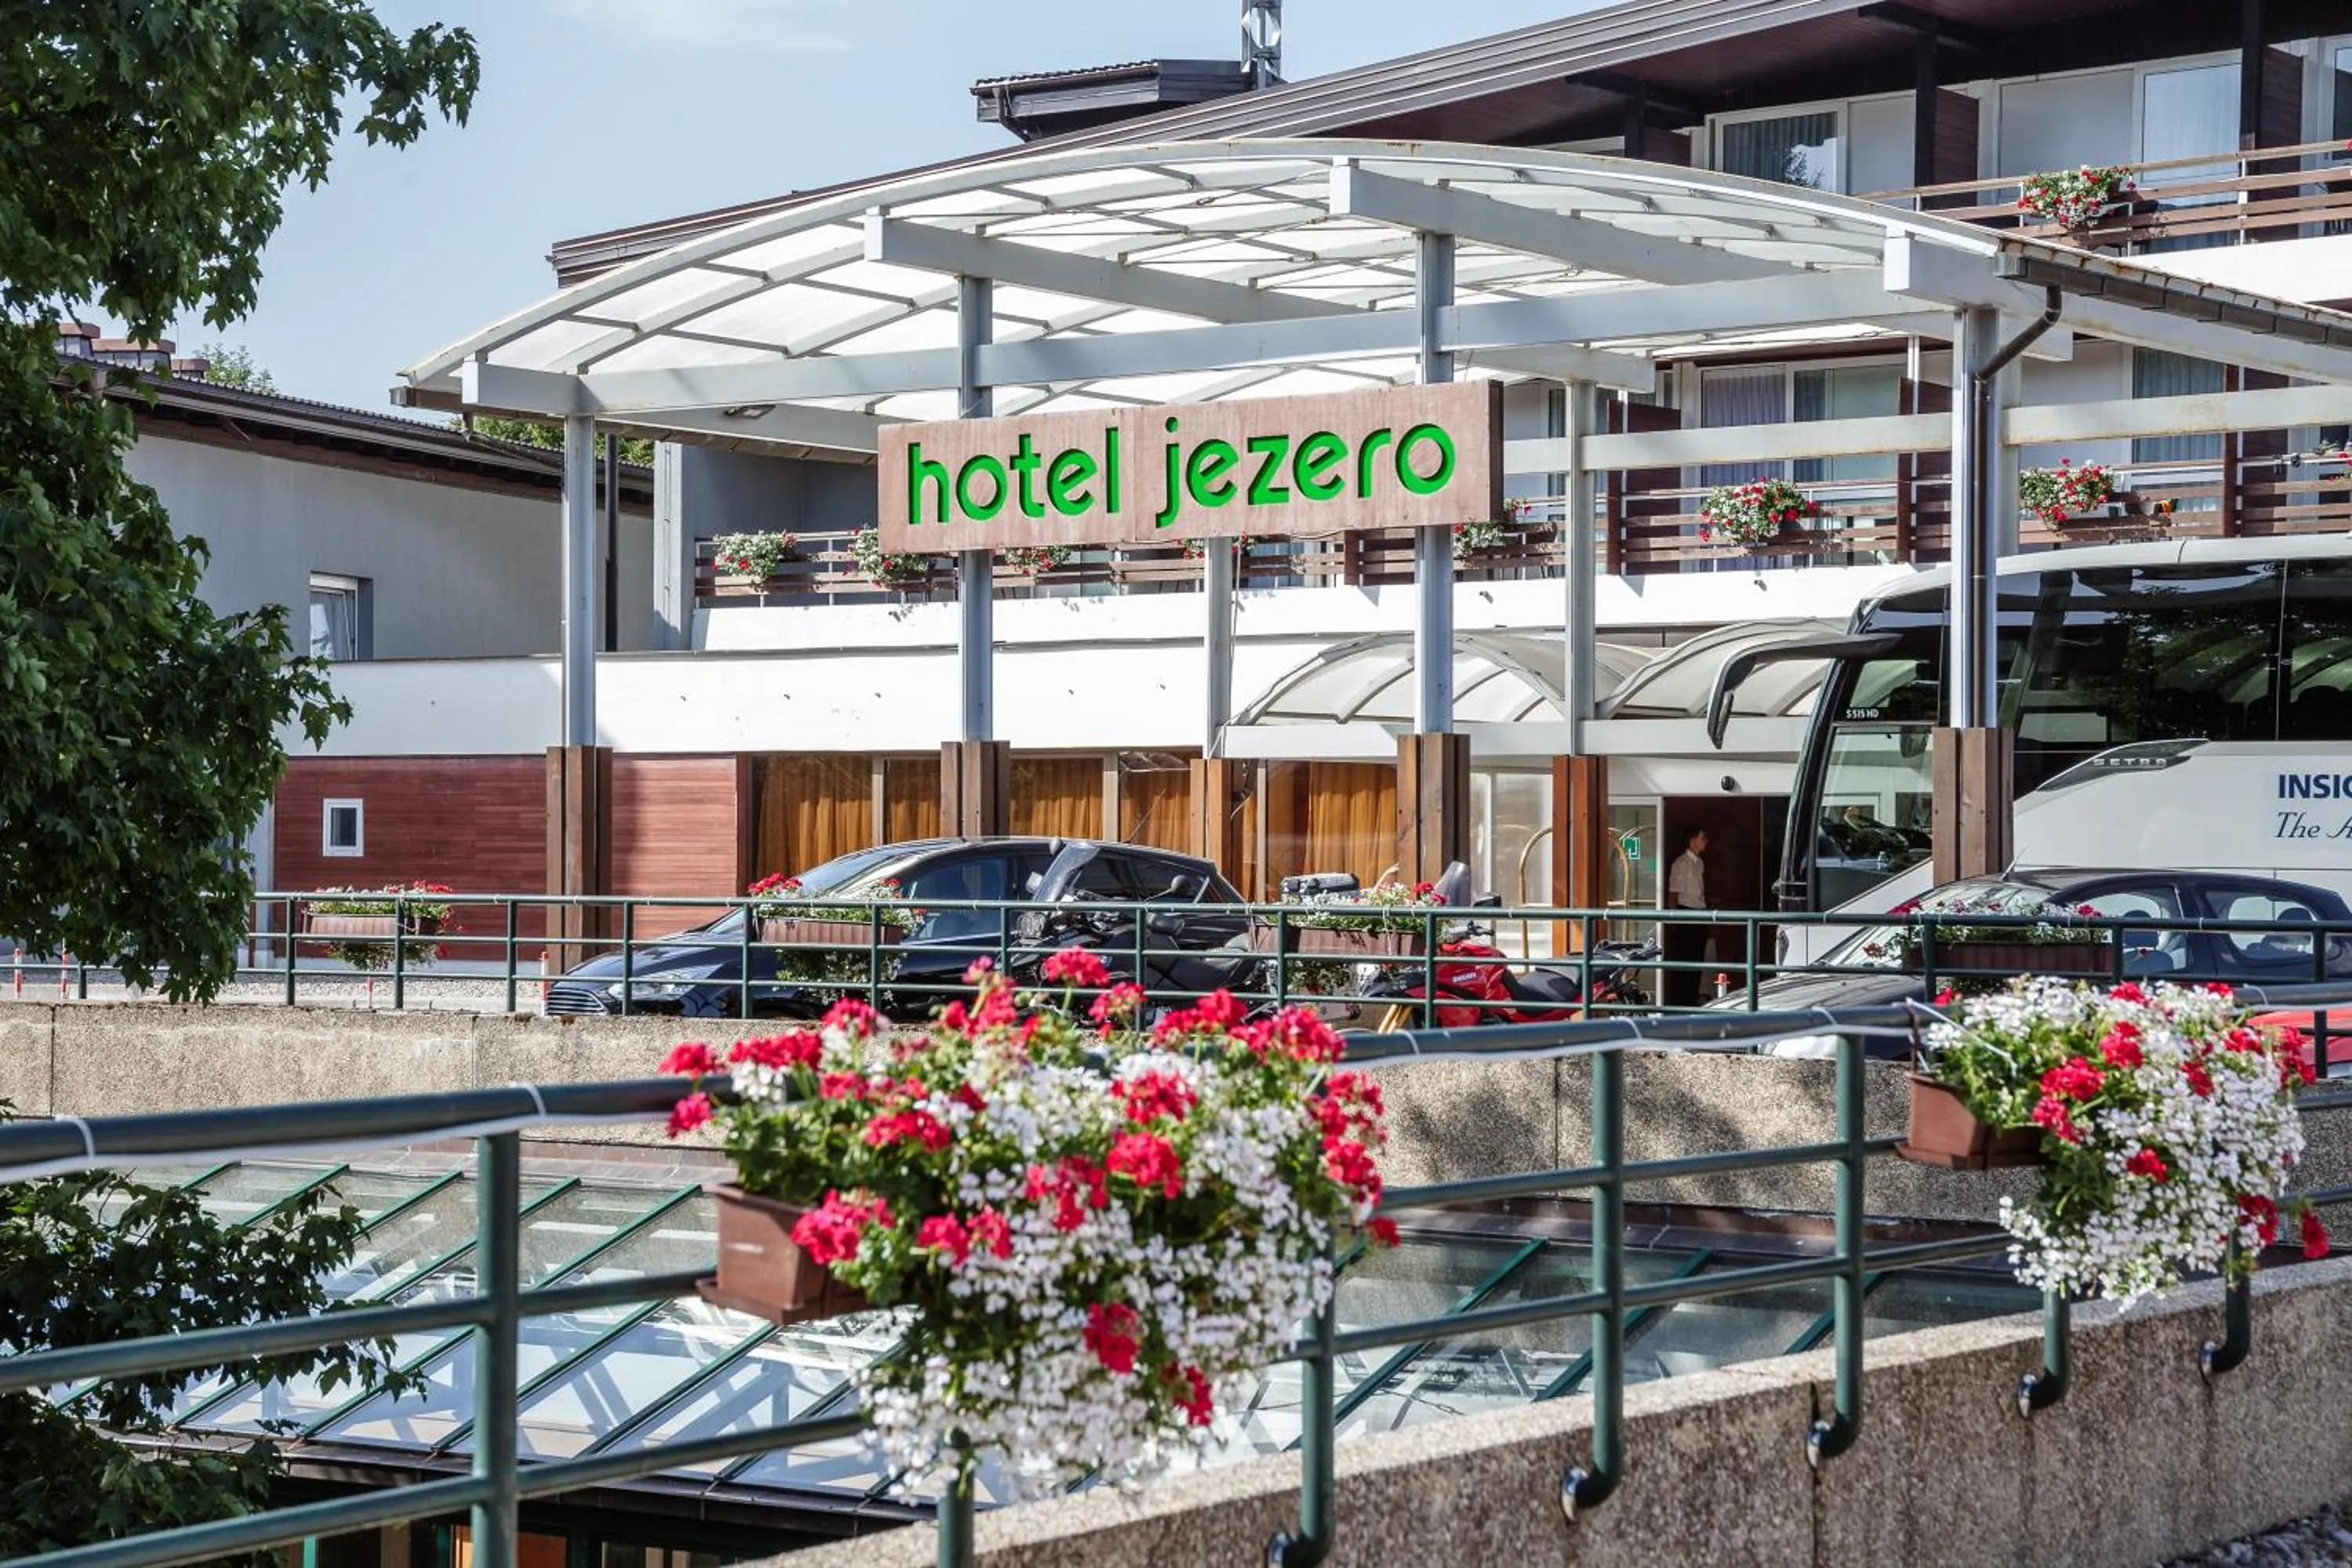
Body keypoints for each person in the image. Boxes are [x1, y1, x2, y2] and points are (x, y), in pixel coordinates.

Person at [1664, 826, 1710, 1007]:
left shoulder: (1699, 863)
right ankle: (1681, 1002)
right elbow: (1673, 894)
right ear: (1693, 841)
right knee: (1685, 960)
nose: (1706, 841)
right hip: (1686, 912)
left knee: (1697, 960)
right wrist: (1675, 920)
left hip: (1699, 913)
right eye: (1703, 837)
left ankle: (1691, 999)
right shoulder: (1681, 864)